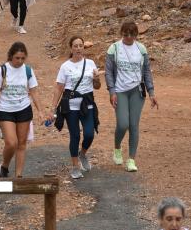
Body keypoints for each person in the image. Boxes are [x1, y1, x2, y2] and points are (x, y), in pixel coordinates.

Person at [105, 20, 158, 172]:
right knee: (123, 123)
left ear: (136, 35)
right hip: (120, 90)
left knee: (134, 125)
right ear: (121, 33)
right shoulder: (114, 48)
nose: (128, 37)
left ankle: (131, 160)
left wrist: (151, 92)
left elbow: (147, 71)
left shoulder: (141, 49)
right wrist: (112, 91)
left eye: (132, 35)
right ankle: (117, 148)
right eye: (125, 34)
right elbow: (108, 72)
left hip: (137, 90)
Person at [49, 36, 102, 179]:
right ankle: (75, 167)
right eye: (75, 46)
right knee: (75, 135)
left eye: (81, 46)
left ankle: (82, 154)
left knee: (89, 133)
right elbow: (59, 87)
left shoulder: (90, 63)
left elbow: (97, 86)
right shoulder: (65, 66)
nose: (78, 48)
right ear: (71, 48)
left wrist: (96, 79)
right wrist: (53, 108)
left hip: (87, 103)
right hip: (71, 105)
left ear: (83, 47)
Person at [0, 42, 44, 178]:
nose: (19, 61)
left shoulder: (28, 70)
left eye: (22, 58)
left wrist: (40, 111)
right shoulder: (2, 70)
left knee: (22, 143)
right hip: (5, 109)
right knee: (11, 142)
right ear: (11, 56)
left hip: (23, 108)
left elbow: (34, 91)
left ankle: (19, 176)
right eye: (17, 58)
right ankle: (5, 165)